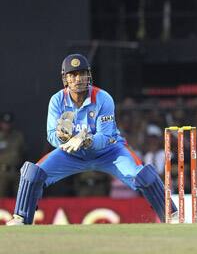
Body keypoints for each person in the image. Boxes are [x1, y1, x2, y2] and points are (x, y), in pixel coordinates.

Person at [6, 54, 175, 225]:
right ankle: (21, 218)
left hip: (109, 152)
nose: (78, 79)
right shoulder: (57, 100)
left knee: (143, 174)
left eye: (81, 74)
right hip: (71, 154)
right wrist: (61, 137)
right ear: (65, 78)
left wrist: (87, 140)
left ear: (89, 75)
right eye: (73, 75)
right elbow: (51, 136)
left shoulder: (103, 98)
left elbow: (107, 136)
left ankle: (172, 215)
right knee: (32, 173)